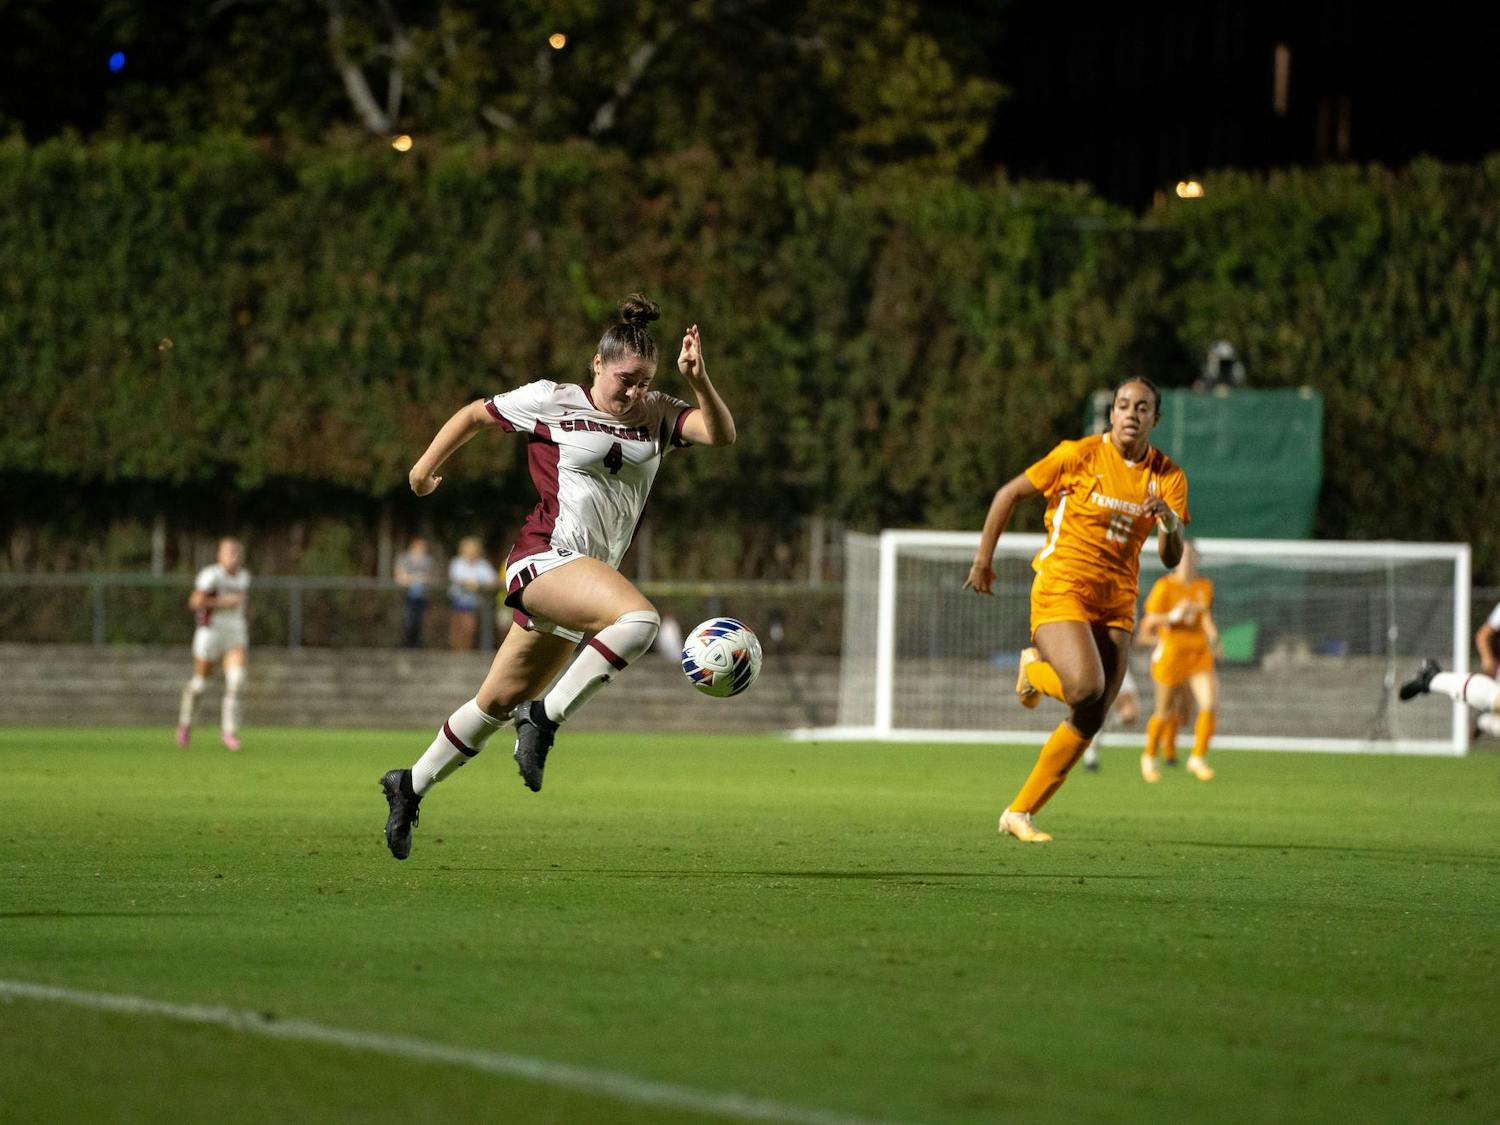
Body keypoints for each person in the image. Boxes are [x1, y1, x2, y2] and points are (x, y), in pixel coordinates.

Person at [379, 294, 736, 860]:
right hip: (544, 558)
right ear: (597, 365)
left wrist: (699, 381)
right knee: (639, 621)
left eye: (645, 381)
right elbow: (474, 413)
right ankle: (543, 719)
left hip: (585, 582)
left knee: (493, 704)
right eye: (625, 379)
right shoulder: (550, 400)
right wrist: (424, 471)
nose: (635, 392)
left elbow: (721, 435)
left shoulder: (659, 413)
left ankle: (408, 785)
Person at [965, 377, 1187, 843]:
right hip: (1062, 587)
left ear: (1155, 419)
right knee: (1086, 685)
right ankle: (1032, 669)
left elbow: (1170, 558)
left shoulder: (1167, 476)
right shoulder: (1077, 455)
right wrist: (983, 559)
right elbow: (1008, 494)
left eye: (1142, 407)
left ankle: (1019, 812)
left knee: (1092, 714)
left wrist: (1167, 519)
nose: (1131, 413)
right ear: (1112, 415)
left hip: (1117, 602)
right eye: (1123, 405)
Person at [1137, 541, 1221, 782]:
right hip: (1171, 654)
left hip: (1198, 654)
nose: (1187, 561)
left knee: (1208, 703)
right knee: (1165, 710)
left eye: (1192, 556)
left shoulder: (1204, 587)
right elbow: (1150, 620)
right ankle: (1150, 756)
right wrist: (1173, 615)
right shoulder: (1164, 587)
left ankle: (1197, 758)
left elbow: (1205, 617)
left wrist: (1214, 638)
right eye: (1183, 556)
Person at [176, 537, 250, 751]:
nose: (234, 557)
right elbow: (195, 601)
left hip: (235, 633)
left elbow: (242, 604)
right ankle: (185, 723)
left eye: (237, 552)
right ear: (220, 555)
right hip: (211, 633)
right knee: (200, 684)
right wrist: (221, 603)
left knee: (237, 681)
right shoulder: (211, 576)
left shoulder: (244, 577)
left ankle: (229, 732)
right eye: (230, 552)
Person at [1080, 667, 1139, 772]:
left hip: (1117, 664)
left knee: (1131, 715)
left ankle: (1101, 727)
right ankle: (1090, 754)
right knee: (1097, 711)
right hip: (1097, 666)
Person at [446, 536, 498, 651]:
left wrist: (479, 584)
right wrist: (469, 583)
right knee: (456, 631)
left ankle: (465, 653)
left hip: (473, 603)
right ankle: (456, 653)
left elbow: (493, 580)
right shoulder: (457, 563)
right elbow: (456, 577)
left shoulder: (483, 565)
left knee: (469, 629)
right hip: (456, 601)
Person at [394, 536, 436, 648]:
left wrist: (413, 578)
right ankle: (407, 644)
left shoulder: (428, 561)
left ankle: (418, 645)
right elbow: (400, 578)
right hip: (407, 596)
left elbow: (431, 577)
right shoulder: (404, 559)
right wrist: (414, 579)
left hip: (423, 596)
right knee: (408, 621)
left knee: (421, 622)